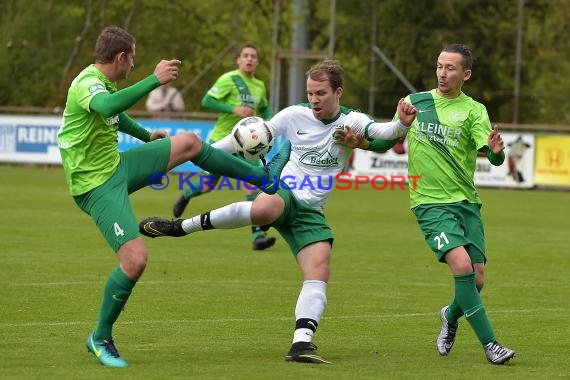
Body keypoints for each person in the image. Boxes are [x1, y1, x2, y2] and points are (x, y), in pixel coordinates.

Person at [138, 60, 417, 364]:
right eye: (310, 93)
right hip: (284, 190)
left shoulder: (353, 121)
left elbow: (384, 132)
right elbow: (247, 137)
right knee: (268, 206)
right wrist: (195, 152)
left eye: (321, 93)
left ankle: (301, 345)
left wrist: (401, 122)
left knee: (319, 269)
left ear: (338, 92)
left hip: (311, 210)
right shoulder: (294, 114)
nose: (314, 100)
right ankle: (180, 227)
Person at [58, 26, 287, 368]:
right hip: (95, 187)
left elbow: (114, 117)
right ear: (121, 57)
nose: (133, 65)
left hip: (118, 166)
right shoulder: (87, 84)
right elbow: (107, 106)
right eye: (132, 58)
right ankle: (100, 337)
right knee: (135, 260)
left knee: (190, 142)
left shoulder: (104, 83)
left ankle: (261, 178)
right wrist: (154, 79)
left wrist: (147, 135)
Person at [338, 43, 516, 365]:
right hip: (429, 202)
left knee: (476, 279)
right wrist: (360, 142)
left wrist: (496, 150)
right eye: (439, 66)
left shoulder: (474, 110)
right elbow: (387, 141)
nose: (442, 73)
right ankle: (491, 345)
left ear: (466, 73)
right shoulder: (414, 103)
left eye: (450, 68)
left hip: (466, 202)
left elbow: (493, 156)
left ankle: (449, 315)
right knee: (461, 268)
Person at [171, 44, 276, 251]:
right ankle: (186, 195)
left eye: (253, 56)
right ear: (238, 60)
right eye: (245, 56)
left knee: (252, 183)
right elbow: (207, 100)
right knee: (209, 184)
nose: (249, 59)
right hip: (223, 140)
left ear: (257, 61)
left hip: (246, 144)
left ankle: (257, 237)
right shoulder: (229, 79)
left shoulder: (259, 85)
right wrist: (233, 109)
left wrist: (269, 124)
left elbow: (263, 107)